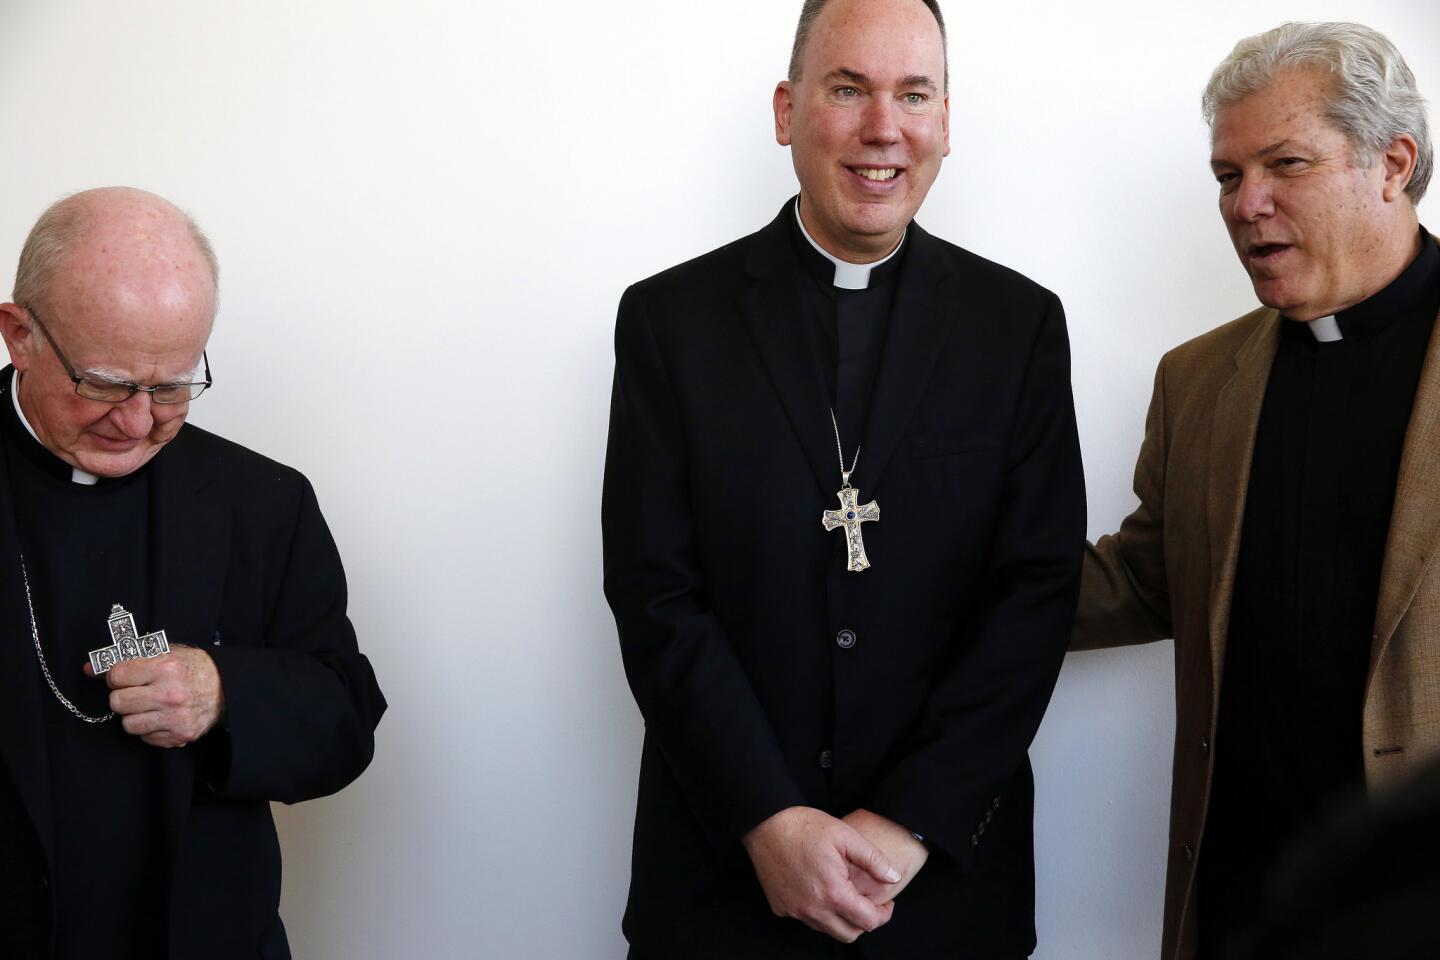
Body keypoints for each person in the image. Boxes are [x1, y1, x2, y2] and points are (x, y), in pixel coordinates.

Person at [602, 0, 1085, 956]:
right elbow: (655, 593)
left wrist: (907, 822)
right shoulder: (670, 322)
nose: (884, 128)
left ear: (947, 119)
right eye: (848, 89)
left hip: (942, 884)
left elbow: (1035, 594)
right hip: (723, 881)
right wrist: (769, 820)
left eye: (915, 94)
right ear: (787, 111)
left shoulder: (1018, 327)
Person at [1072, 22, 1437, 960]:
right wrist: (920, 564)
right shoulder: (1197, 381)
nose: (1247, 205)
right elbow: (1151, 578)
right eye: (1229, 177)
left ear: (1392, 162)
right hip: (1242, 901)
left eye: (1285, 164)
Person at [0, 187, 386, 960]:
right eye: (105, 384)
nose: (139, 422)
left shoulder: (263, 502)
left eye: (173, 386)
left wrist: (225, 693)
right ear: (20, 335)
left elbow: (345, 719)